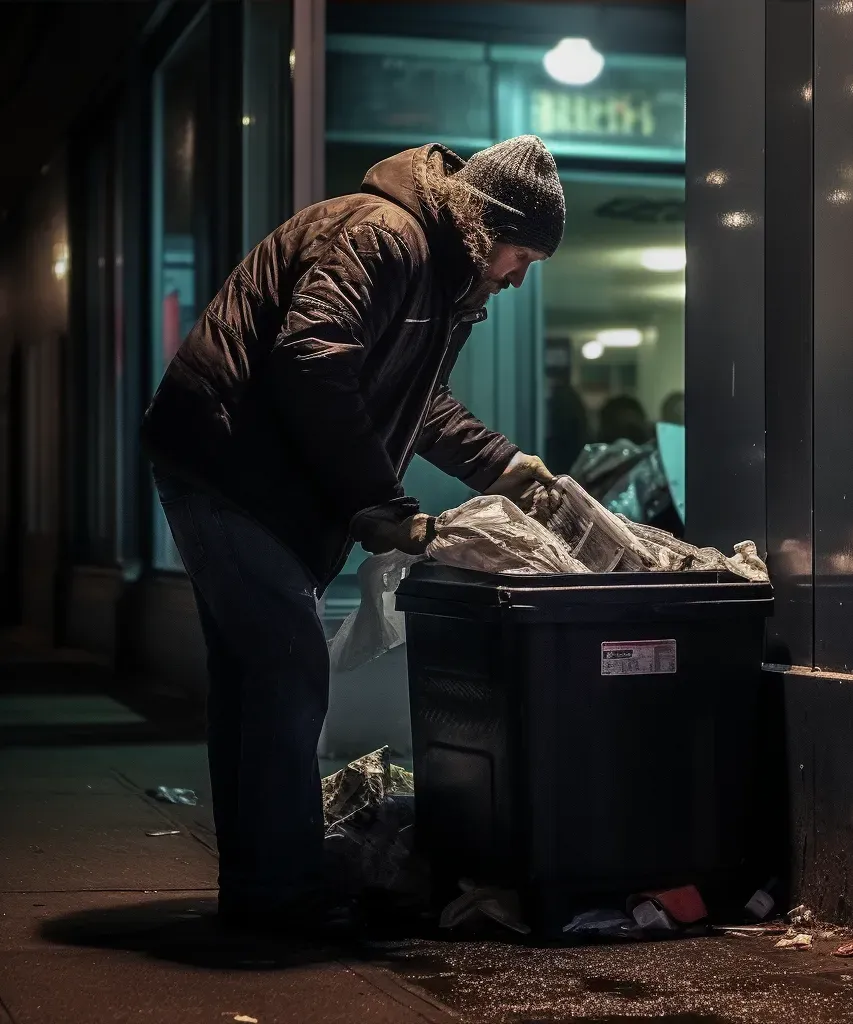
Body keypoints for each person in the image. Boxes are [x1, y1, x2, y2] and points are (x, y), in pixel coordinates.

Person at [140, 136, 565, 937]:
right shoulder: (382, 235)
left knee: (255, 676)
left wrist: (503, 464)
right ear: (487, 226)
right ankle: (279, 894)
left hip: (240, 471)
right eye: (521, 256)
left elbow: (420, 403)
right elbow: (311, 360)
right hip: (230, 468)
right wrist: (379, 503)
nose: (516, 279)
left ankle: (263, 884)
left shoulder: (440, 281)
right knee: (288, 667)